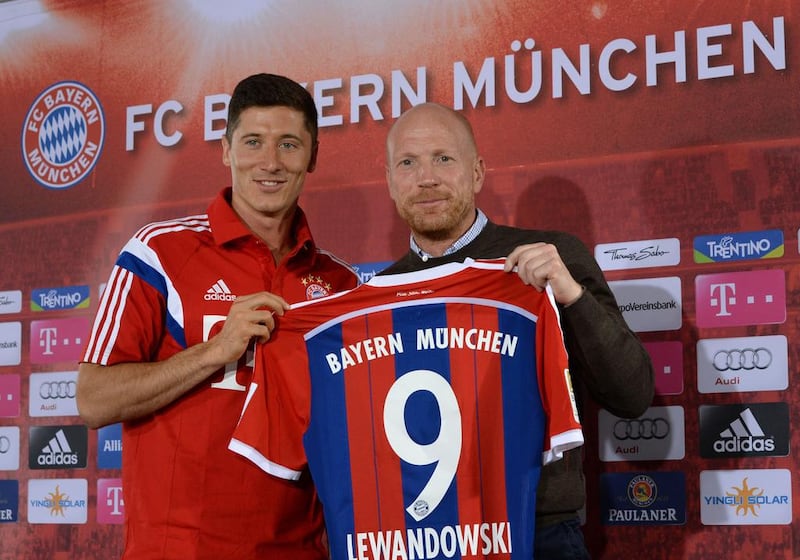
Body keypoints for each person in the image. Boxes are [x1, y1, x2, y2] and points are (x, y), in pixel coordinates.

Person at [76, 73, 359, 560]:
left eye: (289, 144)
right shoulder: (159, 251)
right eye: (253, 142)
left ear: (312, 156)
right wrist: (214, 352)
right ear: (226, 150)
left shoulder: (342, 284)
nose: (270, 162)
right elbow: (93, 400)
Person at [381, 102, 655, 559]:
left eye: (443, 158)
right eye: (408, 163)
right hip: (417, 534)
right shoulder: (379, 293)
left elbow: (633, 394)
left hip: (537, 531)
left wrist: (572, 297)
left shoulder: (553, 258)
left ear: (477, 173)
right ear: (390, 181)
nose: (425, 177)